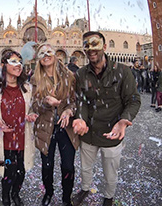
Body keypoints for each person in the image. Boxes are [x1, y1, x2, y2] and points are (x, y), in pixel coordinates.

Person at [72, 31, 141, 206]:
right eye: (86, 45)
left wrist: (124, 120)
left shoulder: (123, 71)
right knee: (85, 168)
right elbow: (81, 101)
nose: (90, 49)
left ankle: (109, 197)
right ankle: (85, 189)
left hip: (112, 133)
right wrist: (80, 118)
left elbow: (133, 100)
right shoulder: (81, 74)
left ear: (104, 46)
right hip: (88, 133)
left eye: (94, 44)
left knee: (111, 172)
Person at [0, 50, 36, 206]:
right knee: (8, 172)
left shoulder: (27, 88)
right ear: (3, 65)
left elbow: (32, 109)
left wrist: (32, 115)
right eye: (13, 62)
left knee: (21, 171)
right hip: (4, 140)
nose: (18, 65)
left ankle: (16, 194)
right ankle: (6, 197)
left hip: (23, 139)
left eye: (20, 62)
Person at [30, 43, 79, 206]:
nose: (46, 55)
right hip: (46, 128)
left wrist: (68, 111)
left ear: (55, 54)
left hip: (66, 127)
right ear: (38, 59)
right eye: (41, 53)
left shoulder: (69, 76)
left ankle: (66, 198)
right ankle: (49, 193)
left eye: (49, 51)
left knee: (68, 167)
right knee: (47, 165)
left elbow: (74, 101)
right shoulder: (35, 79)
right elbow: (34, 106)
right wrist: (45, 102)